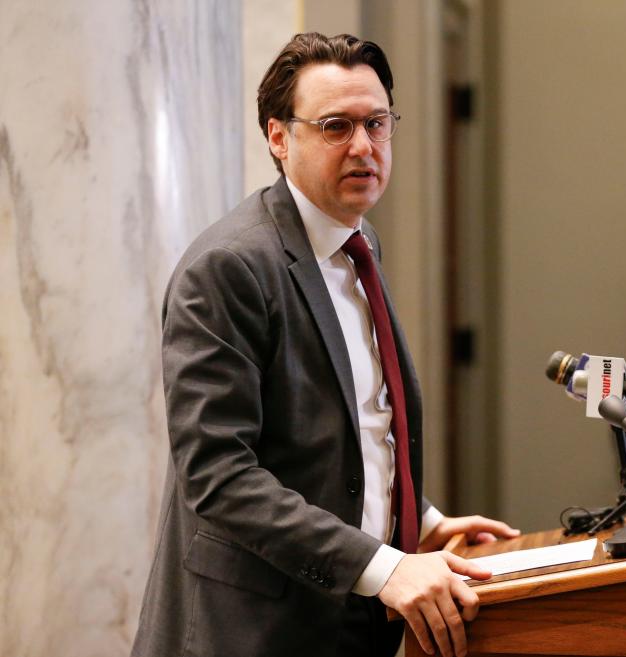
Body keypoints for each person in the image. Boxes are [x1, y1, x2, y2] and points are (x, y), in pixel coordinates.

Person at [131, 33, 517, 657]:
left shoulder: (357, 243)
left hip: (350, 613)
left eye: (377, 122)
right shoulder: (230, 267)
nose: (364, 146)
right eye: (336, 126)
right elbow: (219, 475)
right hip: (255, 628)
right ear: (279, 138)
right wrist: (384, 565)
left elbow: (352, 426)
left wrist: (415, 520)